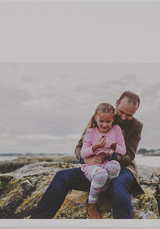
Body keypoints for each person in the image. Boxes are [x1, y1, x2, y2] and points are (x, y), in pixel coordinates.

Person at [28, 91, 145, 219]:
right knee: (61, 176)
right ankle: (37, 223)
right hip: (96, 167)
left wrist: (112, 155)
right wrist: (87, 159)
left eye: (129, 115)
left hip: (123, 168)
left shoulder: (136, 126)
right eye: (121, 112)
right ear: (117, 103)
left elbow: (129, 156)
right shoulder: (101, 116)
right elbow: (79, 148)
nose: (123, 117)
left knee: (117, 186)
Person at [78, 103, 127, 220]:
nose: (105, 125)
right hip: (92, 166)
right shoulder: (91, 132)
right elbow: (83, 153)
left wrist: (112, 150)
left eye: (108, 122)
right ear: (96, 118)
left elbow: (123, 150)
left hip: (106, 162)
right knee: (101, 174)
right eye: (101, 121)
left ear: (113, 120)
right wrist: (95, 147)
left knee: (115, 167)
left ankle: (103, 193)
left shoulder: (116, 129)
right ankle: (91, 203)